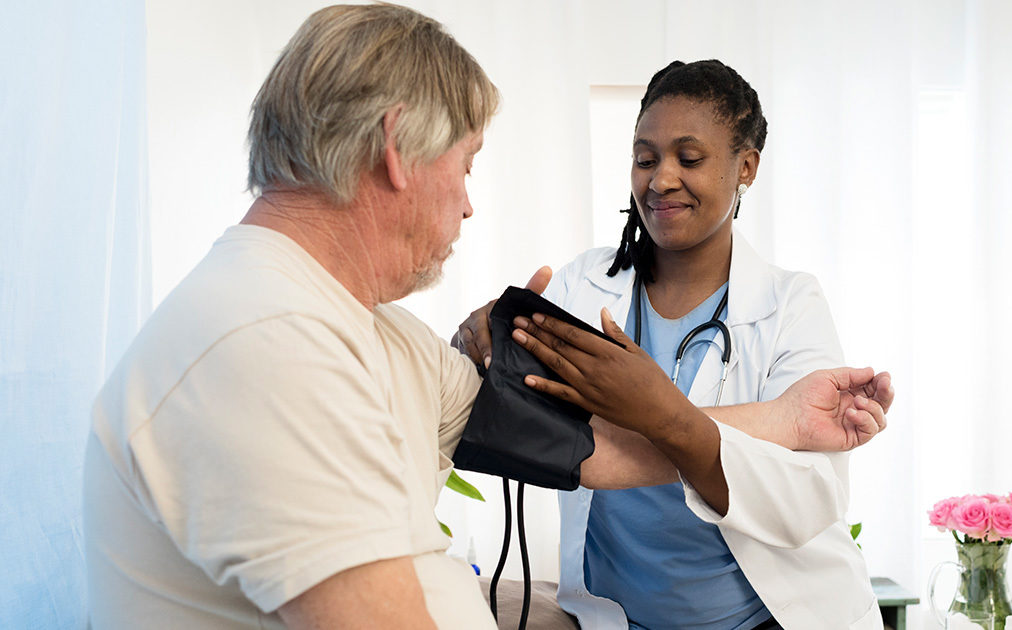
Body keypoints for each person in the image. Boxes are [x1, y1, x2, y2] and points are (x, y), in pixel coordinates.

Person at [83, 5, 885, 629]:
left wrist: (779, 418)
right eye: (465, 165)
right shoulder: (265, 347)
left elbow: (583, 443)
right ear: (398, 149)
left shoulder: (361, 329)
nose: (469, 205)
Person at [455, 60, 890, 629]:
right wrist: (479, 351)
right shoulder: (580, 288)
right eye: (645, 158)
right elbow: (514, 429)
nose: (660, 179)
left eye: (689, 159)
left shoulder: (790, 305)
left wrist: (662, 414)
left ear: (747, 167)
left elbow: (808, 498)